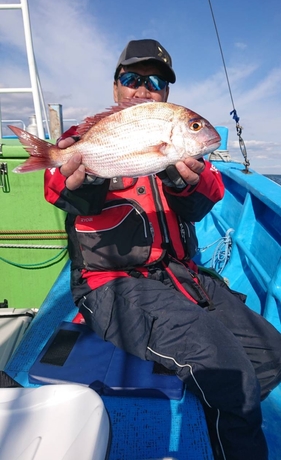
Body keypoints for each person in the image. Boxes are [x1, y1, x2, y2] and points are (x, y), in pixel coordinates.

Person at [44, 39, 281, 460]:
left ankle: (219, 420)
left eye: (155, 82)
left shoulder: (174, 138)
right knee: (232, 376)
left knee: (270, 355)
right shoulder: (85, 136)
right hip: (113, 285)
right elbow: (59, 188)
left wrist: (185, 180)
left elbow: (210, 191)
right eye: (132, 79)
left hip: (180, 276)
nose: (143, 89)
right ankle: (230, 410)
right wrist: (86, 178)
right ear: (116, 86)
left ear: (166, 94)